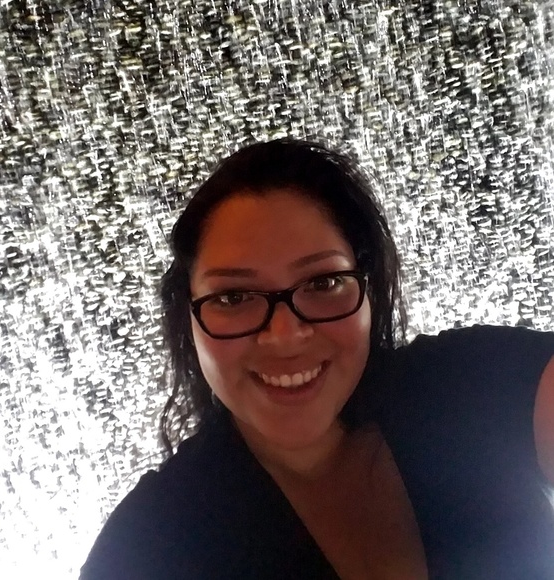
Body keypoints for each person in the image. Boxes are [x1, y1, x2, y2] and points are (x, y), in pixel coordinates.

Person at [80, 138, 554, 580]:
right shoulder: (146, 550)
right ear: (186, 317)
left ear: (369, 289)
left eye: (322, 283)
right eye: (234, 297)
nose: (285, 337)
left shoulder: (468, 384)